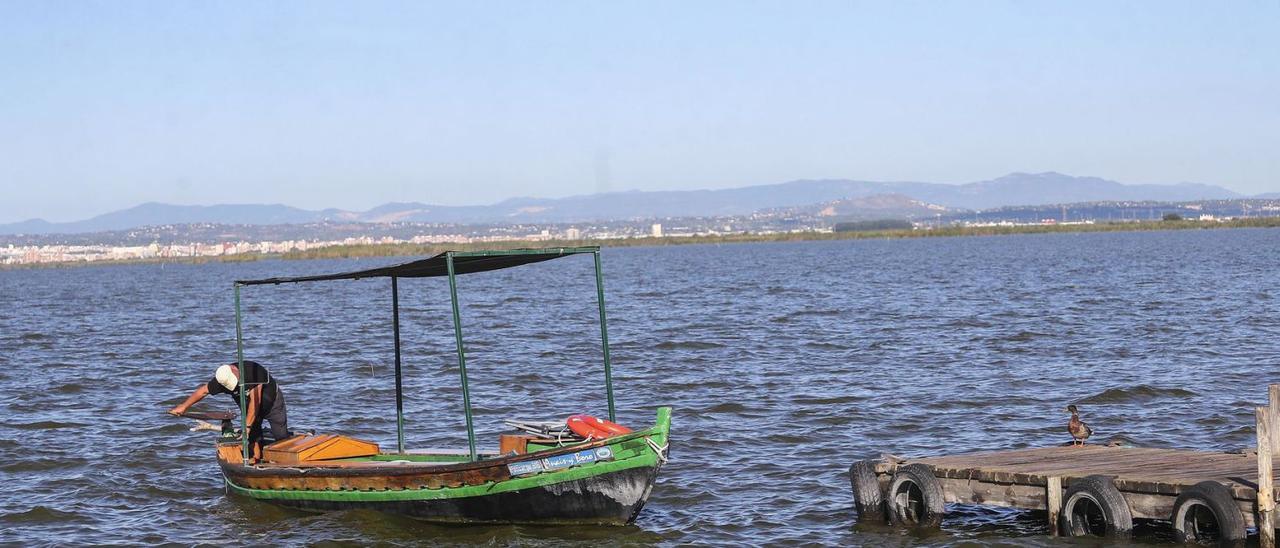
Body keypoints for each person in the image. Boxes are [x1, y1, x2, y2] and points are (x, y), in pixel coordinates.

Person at [168, 360, 290, 458]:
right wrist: (183, 406)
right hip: (247, 406)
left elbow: (255, 402)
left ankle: (283, 459)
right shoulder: (221, 379)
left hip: (272, 401)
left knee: (281, 436)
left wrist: (247, 427)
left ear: (234, 370)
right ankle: (256, 458)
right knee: (253, 435)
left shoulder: (252, 372)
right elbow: (203, 391)